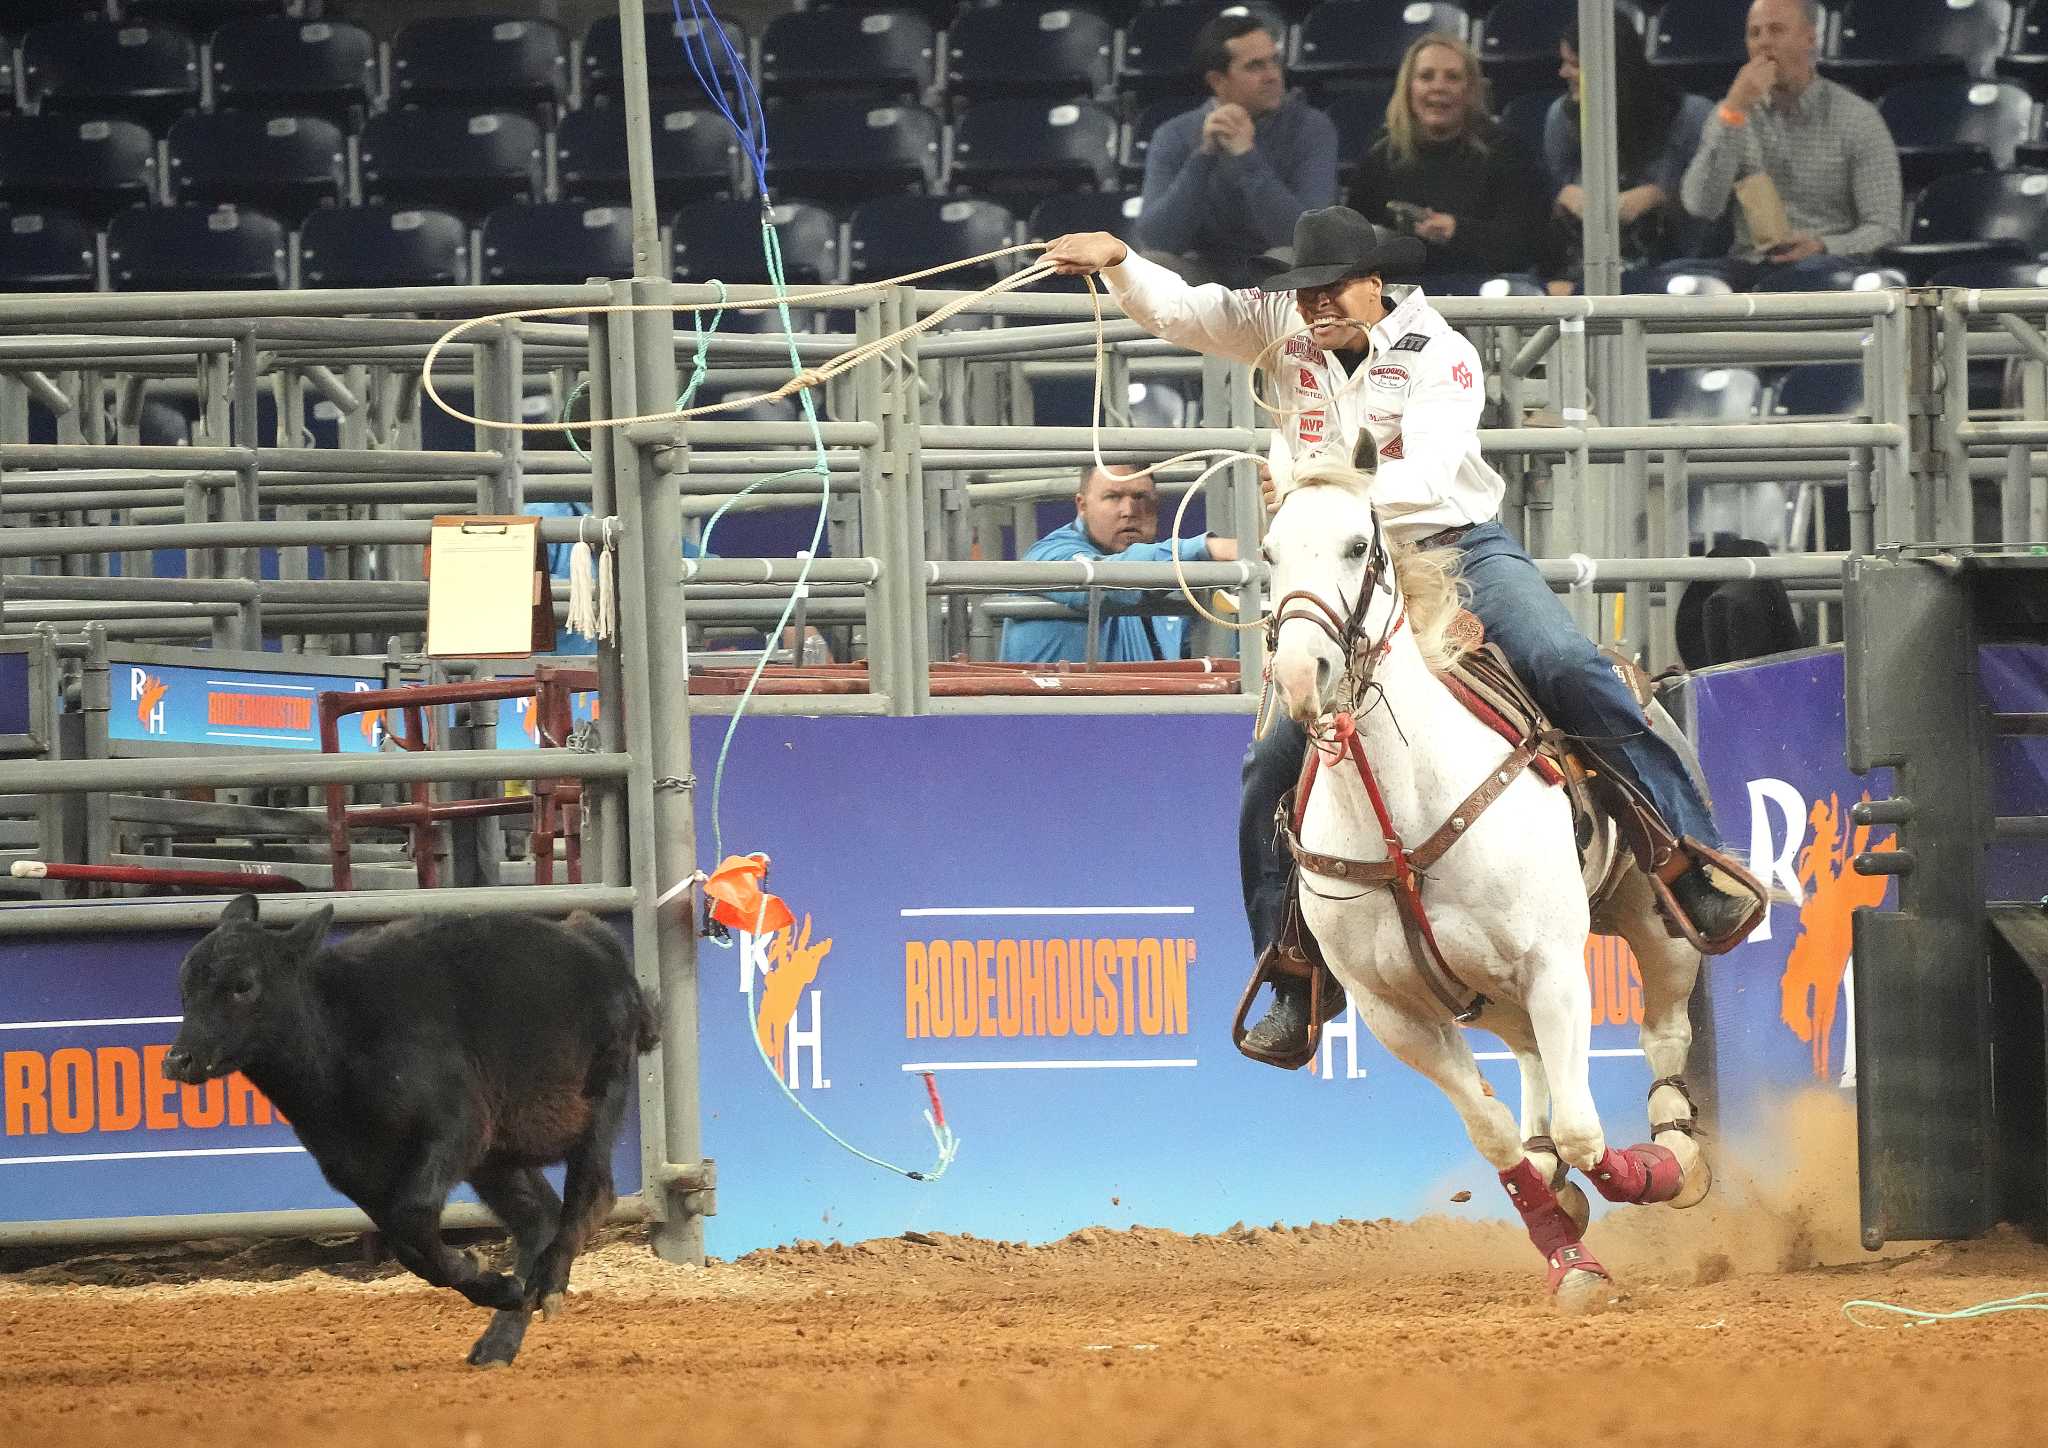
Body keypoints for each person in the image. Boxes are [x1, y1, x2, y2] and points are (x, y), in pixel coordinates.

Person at [1042, 206, 1762, 1065]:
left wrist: (1326, 497)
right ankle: (1293, 968)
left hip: (1451, 547)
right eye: (1303, 292)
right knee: (1269, 762)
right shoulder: (1284, 327)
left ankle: (1682, 854)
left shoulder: (1441, 355)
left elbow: (1424, 472)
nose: (1314, 307)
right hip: (1344, 571)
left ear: (1374, 281)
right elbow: (1188, 312)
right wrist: (1122, 262)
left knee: (1564, 661)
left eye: (1330, 289)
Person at [1677, 0, 1902, 275]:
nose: (1764, 43)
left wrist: (1824, 245)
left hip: (1827, 265)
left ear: (1809, 39)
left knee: (1810, 274)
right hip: (1751, 264)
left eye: (1776, 30)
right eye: (1755, 33)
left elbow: (1884, 228)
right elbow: (1701, 205)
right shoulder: (1731, 113)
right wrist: (1734, 111)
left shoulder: (1857, 118)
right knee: (1677, 280)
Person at [1137, 10, 1338, 289]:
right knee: (1152, 266)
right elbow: (1158, 240)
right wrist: (1204, 156)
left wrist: (1247, 157)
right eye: (1255, 66)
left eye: (1274, 62)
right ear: (1218, 81)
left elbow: (1307, 239)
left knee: (1285, 258)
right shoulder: (1174, 134)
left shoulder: (1312, 128)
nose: (1272, 75)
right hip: (1206, 276)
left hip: (1276, 269)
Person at [1344, 32, 1548, 282]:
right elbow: (1351, 249)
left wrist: (1456, 231)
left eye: (1452, 77)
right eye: (1426, 76)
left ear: (1470, 90)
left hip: (1486, 295)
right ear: (1408, 88)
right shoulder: (1380, 158)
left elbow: (1526, 245)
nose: (1438, 87)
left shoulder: (1507, 151)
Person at [999, 463, 1239, 664]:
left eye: (1140, 497)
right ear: (1082, 506)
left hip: (1140, 710)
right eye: (1113, 497)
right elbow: (1108, 578)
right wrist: (1206, 547)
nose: (1129, 510)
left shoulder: (1165, 566)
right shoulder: (1048, 553)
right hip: (1048, 716)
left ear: (1157, 506)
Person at [1543, 12, 1713, 284]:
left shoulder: (1692, 115)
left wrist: (1663, 197)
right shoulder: (1561, 117)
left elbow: (1710, 206)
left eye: (1573, 64)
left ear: (1611, 69)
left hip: (1673, 262)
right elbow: (1550, 194)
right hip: (1584, 265)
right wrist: (1563, 196)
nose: (1563, 73)